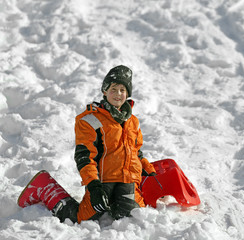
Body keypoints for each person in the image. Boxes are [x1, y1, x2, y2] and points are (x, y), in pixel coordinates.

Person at [18, 65, 156, 223]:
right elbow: (84, 157)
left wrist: (149, 171)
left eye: (122, 90)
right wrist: (94, 186)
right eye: (113, 89)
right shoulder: (90, 120)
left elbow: (136, 152)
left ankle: (115, 202)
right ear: (104, 91)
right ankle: (45, 187)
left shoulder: (133, 121)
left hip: (128, 181)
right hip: (103, 182)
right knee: (81, 219)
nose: (118, 94)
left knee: (132, 217)